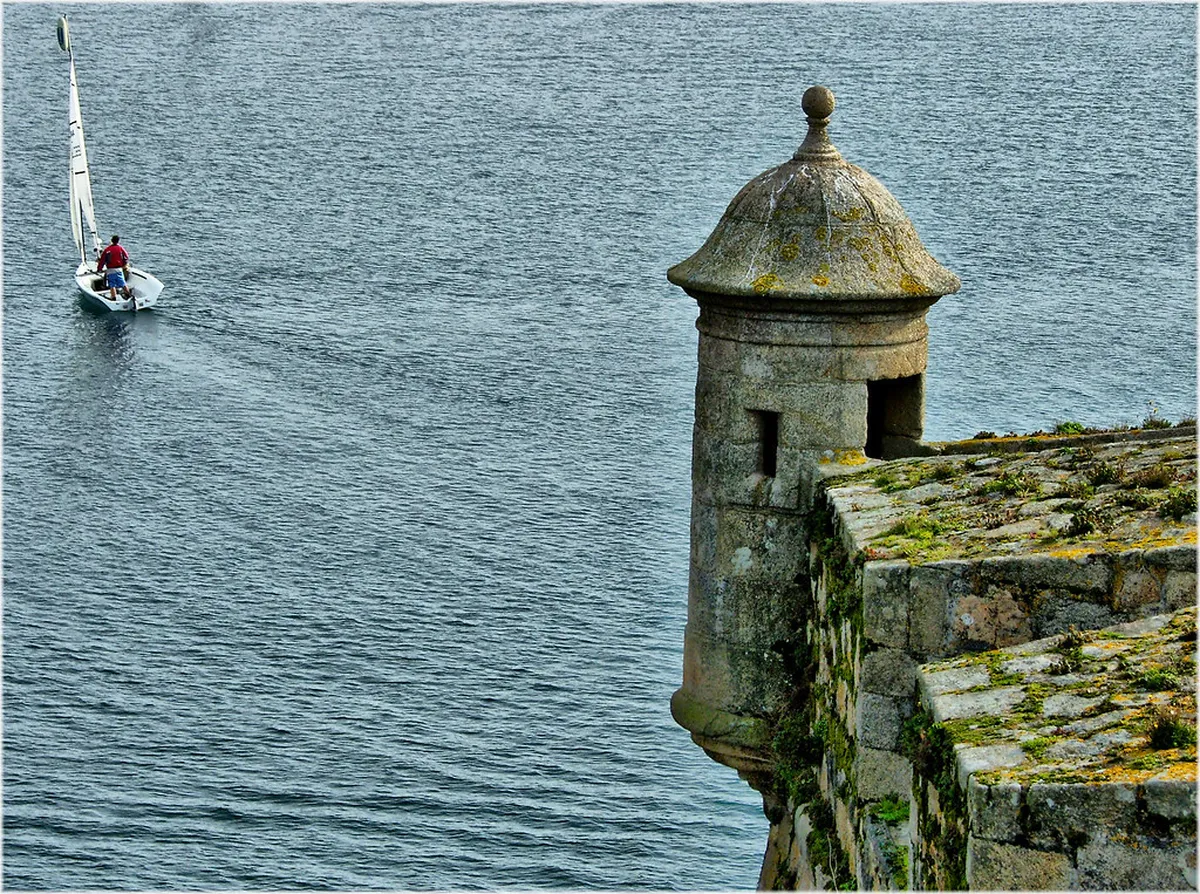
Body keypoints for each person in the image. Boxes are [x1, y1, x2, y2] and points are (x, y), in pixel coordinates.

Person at [96, 234, 133, 301]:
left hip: (111, 270)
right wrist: (124, 264)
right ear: (118, 241)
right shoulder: (120, 248)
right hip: (119, 269)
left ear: (111, 241)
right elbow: (126, 257)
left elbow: (102, 261)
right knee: (122, 283)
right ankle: (128, 294)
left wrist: (99, 269)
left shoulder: (107, 250)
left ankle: (113, 297)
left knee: (112, 284)